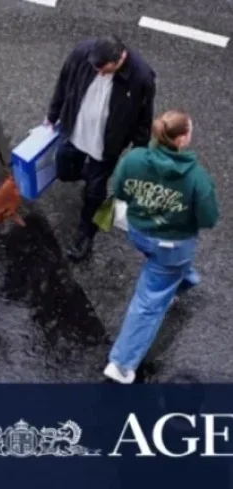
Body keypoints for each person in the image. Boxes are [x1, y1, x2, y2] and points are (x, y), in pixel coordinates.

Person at [104, 110, 219, 384]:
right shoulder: (196, 178)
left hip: (139, 233)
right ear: (180, 140)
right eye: (189, 131)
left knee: (167, 271)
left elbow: (120, 191)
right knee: (148, 304)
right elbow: (209, 218)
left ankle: (182, 281)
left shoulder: (133, 160)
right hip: (173, 246)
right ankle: (121, 364)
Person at [46, 35, 156, 261]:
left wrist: (139, 153)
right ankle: (88, 180)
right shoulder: (83, 54)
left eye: (103, 68)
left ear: (119, 59)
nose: (98, 72)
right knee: (64, 171)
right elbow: (64, 82)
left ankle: (86, 234)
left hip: (106, 145)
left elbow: (144, 119)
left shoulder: (141, 77)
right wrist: (53, 114)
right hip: (75, 130)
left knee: (95, 191)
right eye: (95, 67)